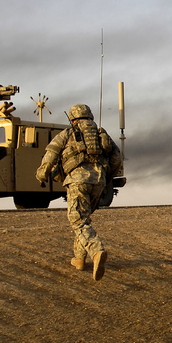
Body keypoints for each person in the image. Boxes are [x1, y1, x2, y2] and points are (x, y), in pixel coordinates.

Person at [36, 103, 122, 281]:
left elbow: (50, 155)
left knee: (78, 221)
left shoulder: (67, 134)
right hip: (99, 182)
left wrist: (42, 175)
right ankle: (79, 259)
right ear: (90, 117)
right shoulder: (101, 134)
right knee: (84, 218)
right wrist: (107, 178)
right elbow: (116, 159)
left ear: (73, 119)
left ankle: (96, 251)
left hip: (77, 181)